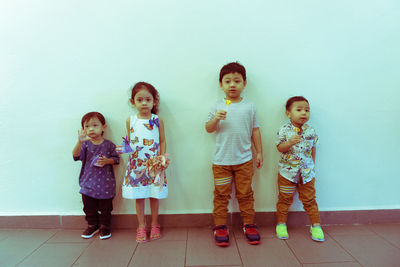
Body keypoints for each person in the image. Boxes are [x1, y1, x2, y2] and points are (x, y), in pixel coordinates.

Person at [205, 62, 263, 246]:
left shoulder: (250, 107)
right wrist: (216, 119)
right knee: (221, 195)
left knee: (245, 194)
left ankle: (249, 224)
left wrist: (259, 152)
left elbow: (255, 131)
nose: (232, 84)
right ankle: (220, 226)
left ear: (244, 83)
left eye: (237, 81)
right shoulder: (217, 106)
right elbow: (208, 129)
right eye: (227, 81)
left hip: (245, 160)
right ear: (220, 84)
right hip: (221, 161)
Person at [118, 82, 168, 243]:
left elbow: (162, 140)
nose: (144, 103)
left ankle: (155, 224)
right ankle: (141, 225)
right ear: (133, 102)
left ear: (154, 101)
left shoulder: (157, 119)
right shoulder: (130, 120)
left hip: (154, 164)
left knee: (154, 195)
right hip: (136, 165)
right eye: (140, 100)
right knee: (139, 196)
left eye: (148, 99)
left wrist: (162, 158)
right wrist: (125, 149)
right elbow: (130, 143)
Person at [275, 96, 325, 242]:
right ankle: (281, 224)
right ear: (288, 113)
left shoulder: (311, 131)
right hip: (287, 173)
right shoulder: (284, 130)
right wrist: (289, 142)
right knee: (284, 199)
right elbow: (279, 148)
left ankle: (315, 225)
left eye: (307, 110)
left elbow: (313, 149)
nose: (304, 113)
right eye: (299, 110)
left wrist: (312, 165)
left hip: (307, 173)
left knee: (310, 199)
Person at [72, 112, 120, 240]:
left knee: (106, 208)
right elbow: (76, 156)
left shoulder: (109, 145)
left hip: (106, 184)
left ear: (103, 127)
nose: (91, 129)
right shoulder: (85, 145)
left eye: (95, 125)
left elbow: (116, 159)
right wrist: (79, 142)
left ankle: (105, 226)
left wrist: (107, 161)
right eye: (87, 126)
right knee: (88, 207)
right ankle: (92, 225)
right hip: (88, 183)